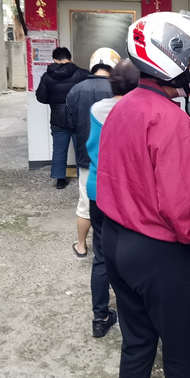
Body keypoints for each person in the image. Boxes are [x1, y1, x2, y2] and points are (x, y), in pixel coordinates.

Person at [96, 11, 190, 378]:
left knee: (136, 346)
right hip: (158, 253)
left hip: (116, 241)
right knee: (181, 356)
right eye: (189, 58)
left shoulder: (122, 107)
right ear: (169, 61)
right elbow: (186, 213)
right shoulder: (170, 120)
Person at [85, 59, 141, 338]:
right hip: (123, 194)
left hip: (96, 190)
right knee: (130, 254)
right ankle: (134, 318)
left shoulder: (96, 109)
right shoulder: (135, 112)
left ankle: (100, 316)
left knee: (101, 255)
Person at [66, 48, 121, 257]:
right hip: (113, 160)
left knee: (85, 205)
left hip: (85, 157)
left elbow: (69, 124)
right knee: (114, 204)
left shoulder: (75, 90)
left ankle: (81, 245)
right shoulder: (117, 92)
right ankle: (112, 248)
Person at [35, 47, 89, 189]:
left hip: (58, 118)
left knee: (59, 149)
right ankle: (82, 178)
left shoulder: (47, 76)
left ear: (54, 60)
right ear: (70, 58)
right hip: (78, 118)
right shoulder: (82, 74)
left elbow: (41, 97)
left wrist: (55, 101)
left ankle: (60, 180)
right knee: (81, 149)